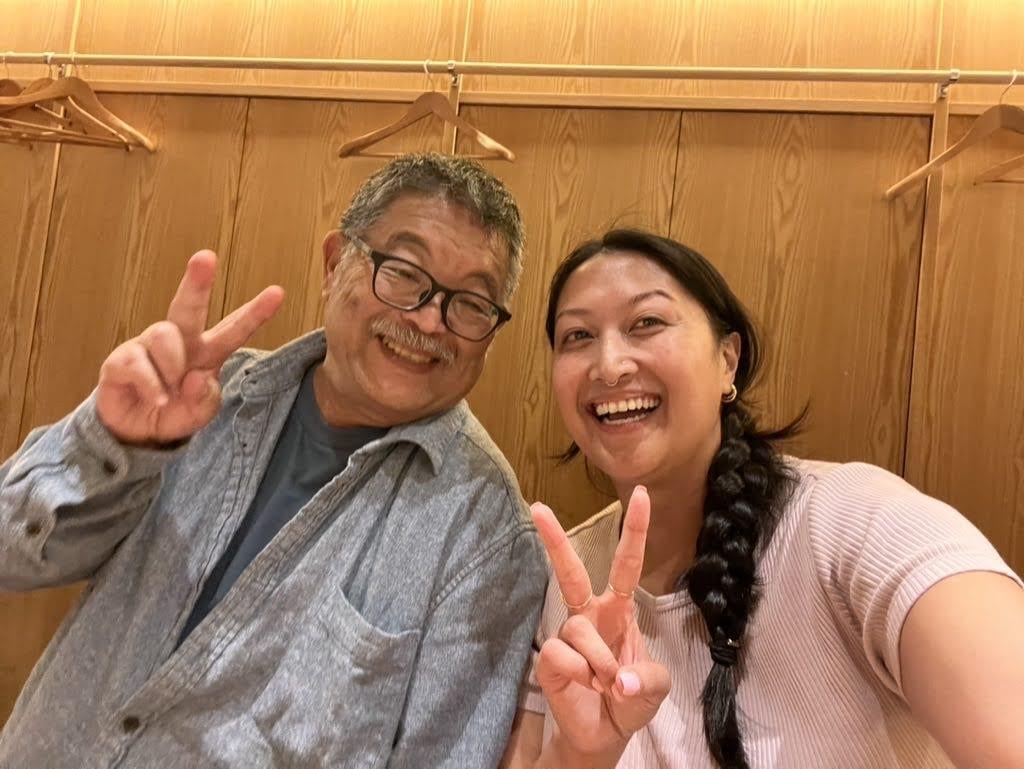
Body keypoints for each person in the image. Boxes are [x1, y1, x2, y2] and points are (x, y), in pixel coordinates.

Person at [0, 153, 547, 769]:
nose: (427, 318)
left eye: (471, 303)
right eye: (403, 271)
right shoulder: (205, 398)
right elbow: (11, 555)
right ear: (336, 263)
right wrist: (112, 442)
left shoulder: (487, 537)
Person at [502, 229, 1024, 769]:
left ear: (727, 360)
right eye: (578, 336)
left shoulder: (848, 522)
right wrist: (583, 750)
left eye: (647, 323)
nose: (609, 365)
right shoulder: (570, 580)